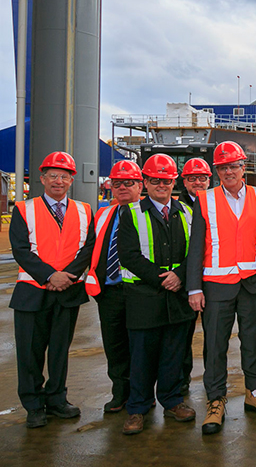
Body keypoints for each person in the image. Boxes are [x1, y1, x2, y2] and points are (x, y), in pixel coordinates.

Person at [186, 141, 256, 435]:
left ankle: (255, 392)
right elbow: (196, 248)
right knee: (215, 346)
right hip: (216, 285)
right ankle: (216, 400)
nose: (228, 171)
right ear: (217, 171)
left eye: (233, 166)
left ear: (243, 167)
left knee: (251, 342)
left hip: (252, 283)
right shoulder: (205, 200)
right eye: (223, 167)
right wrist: (193, 288)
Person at [10, 152, 95, 429]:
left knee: (60, 350)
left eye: (64, 176)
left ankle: (57, 399)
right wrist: (49, 276)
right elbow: (21, 250)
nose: (59, 181)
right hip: (33, 290)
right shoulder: (24, 209)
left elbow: (87, 249)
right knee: (30, 352)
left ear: (72, 179)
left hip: (68, 290)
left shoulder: (84, 210)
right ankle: (34, 404)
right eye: (53, 176)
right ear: (42, 178)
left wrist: (66, 277)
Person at [118, 154, 197, 435]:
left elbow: (197, 251)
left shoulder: (188, 212)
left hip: (177, 295)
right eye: (155, 180)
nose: (161, 185)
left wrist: (181, 276)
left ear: (174, 181)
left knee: (174, 354)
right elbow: (128, 256)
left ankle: (173, 401)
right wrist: (162, 279)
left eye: (166, 180)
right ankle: (138, 408)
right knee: (141, 356)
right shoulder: (131, 213)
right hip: (144, 295)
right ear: (145, 182)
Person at [84, 160, 144, 413]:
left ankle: (141, 396)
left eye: (128, 183)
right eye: (116, 183)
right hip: (108, 291)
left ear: (140, 185)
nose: (121, 188)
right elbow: (90, 248)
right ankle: (119, 392)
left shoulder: (147, 212)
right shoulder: (103, 214)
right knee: (114, 345)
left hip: (139, 292)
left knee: (140, 346)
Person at [178, 157, 212, 395]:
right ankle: (182, 380)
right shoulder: (176, 207)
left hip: (212, 279)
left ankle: (212, 380)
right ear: (184, 182)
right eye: (192, 179)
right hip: (184, 282)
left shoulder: (216, 203)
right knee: (182, 336)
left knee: (213, 336)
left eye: (202, 178)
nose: (198, 182)